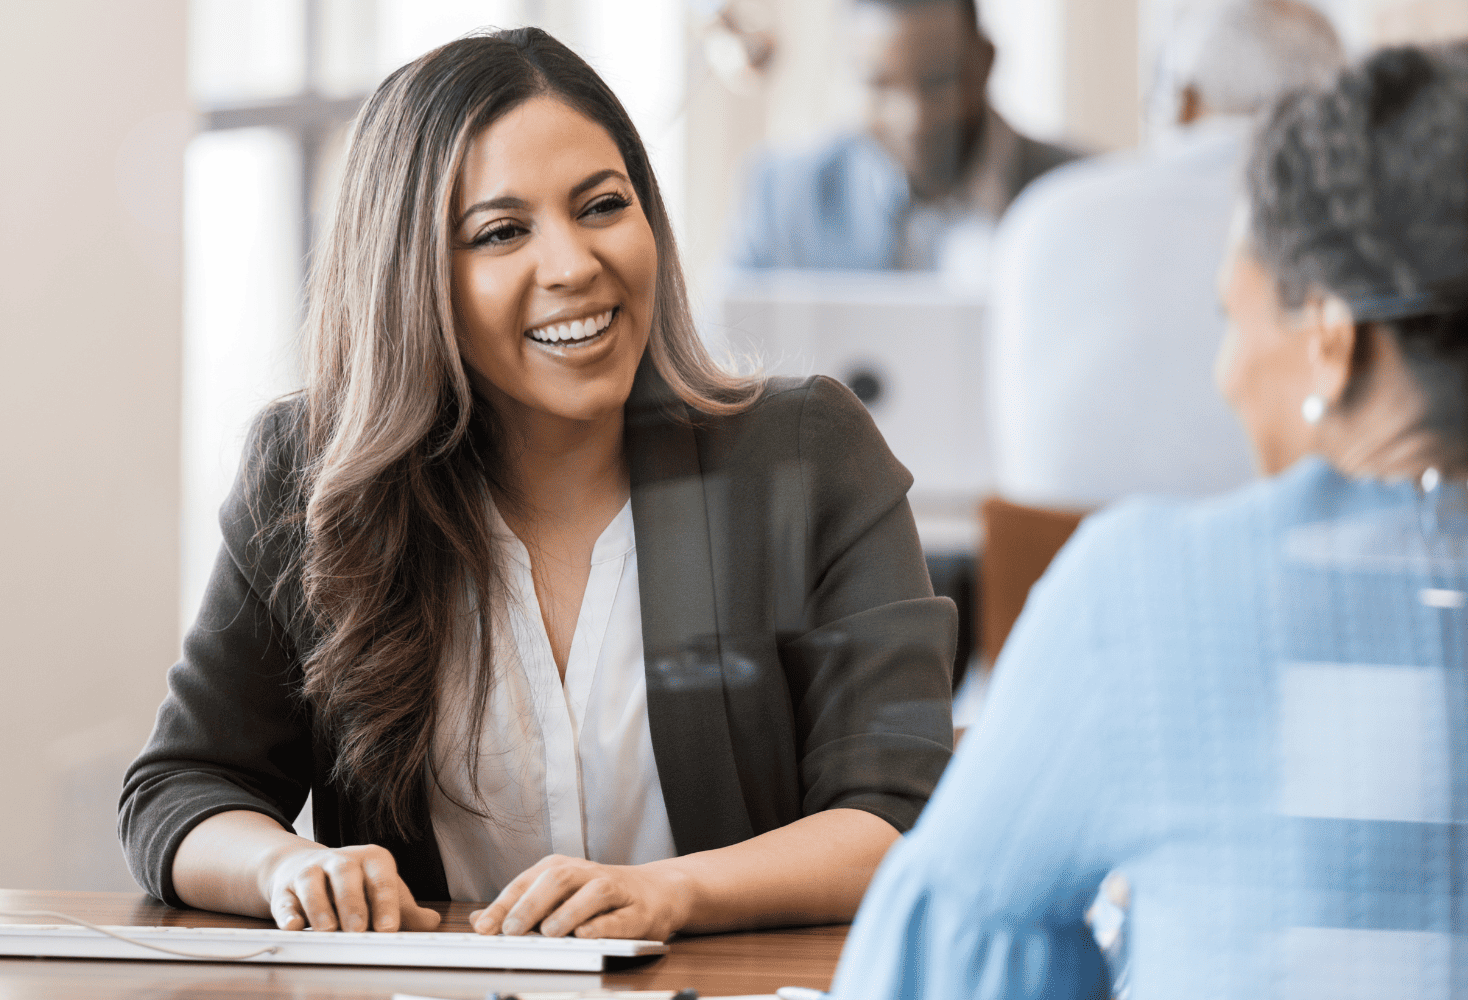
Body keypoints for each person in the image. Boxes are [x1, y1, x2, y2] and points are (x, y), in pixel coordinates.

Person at [120, 28, 957, 941]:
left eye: (602, 206)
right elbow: (182, 789)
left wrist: (668, 894)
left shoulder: (806, 454)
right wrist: (289, 867)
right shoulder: (309, 475)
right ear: (411, 276)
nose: (571, 265)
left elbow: (898, 814)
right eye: (501, 232)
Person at [832, 43, 1468, 998]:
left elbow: (943, 962)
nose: (1224, 376)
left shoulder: (1152, 592)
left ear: (1331, 342)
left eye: (1233, 318)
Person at [986, 0, 1342, 507]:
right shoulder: (1349, 233)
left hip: (1044, 566)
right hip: (1272, 558)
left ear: (1185, 100)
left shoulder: (1041, 215)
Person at [731, 0, 1080, 275]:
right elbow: (726, 352)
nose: (914, 119)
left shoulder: (1078, 191)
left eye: (939, 80)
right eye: (878, 85)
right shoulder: (786, 197)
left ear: (985, 62)